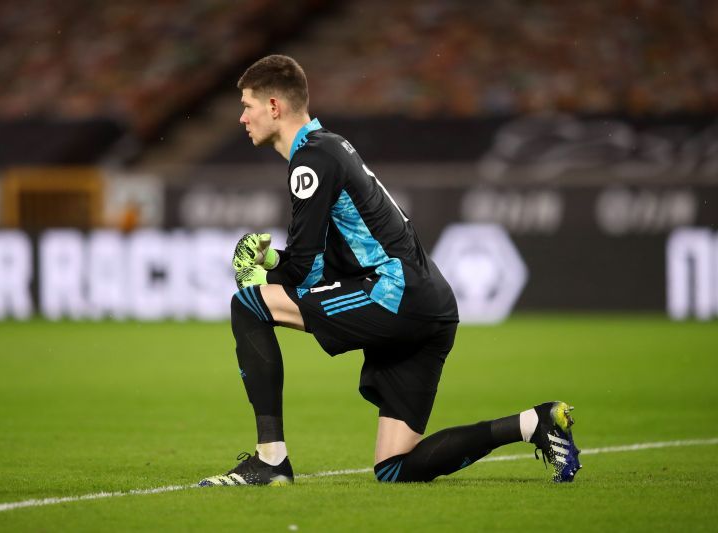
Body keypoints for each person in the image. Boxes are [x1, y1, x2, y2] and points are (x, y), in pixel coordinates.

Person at [198, 55, 581, 486]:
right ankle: (534, 423)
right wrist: (270, 261)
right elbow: (329, 261)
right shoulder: (331, 146)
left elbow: (306, 272)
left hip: (394, 294)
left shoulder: (310, 161)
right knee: (395, 468)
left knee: (247, 306)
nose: (241, 116)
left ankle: (270, 462)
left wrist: (257, 280)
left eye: (247, 105)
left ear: (273, 107)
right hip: (429, 302)